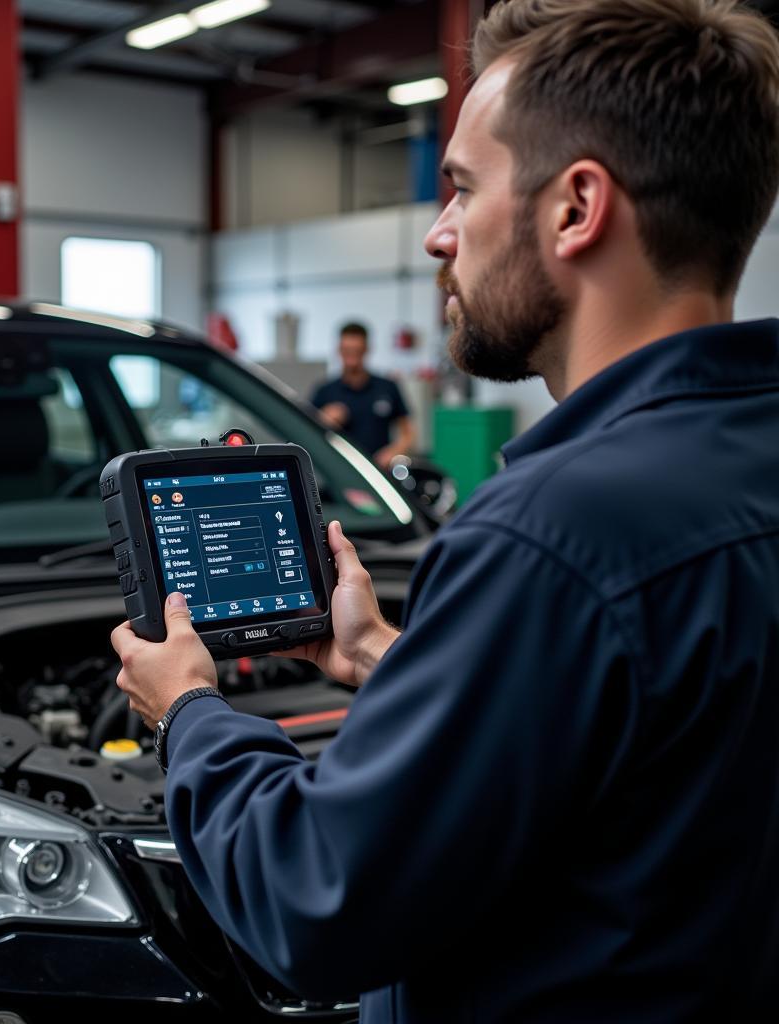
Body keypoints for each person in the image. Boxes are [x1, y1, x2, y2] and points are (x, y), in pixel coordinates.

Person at [111, 0, 779, 1020]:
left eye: (462, 188)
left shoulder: (554, 532)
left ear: (574, 208)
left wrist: (190, 713)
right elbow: (652, 742)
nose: (436, 234)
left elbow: (315, 902)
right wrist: (394, 657)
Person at [310, 322, 416, 468]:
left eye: (357, 351)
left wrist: (393, 453)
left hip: (379, 472)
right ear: (339, 350)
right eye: (347, 351)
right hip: (338, 471)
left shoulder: (387, 388)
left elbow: (408, 434)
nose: (352, 357)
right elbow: (307, 436)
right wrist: (323, 420)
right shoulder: (325, 391)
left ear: (366, 349)